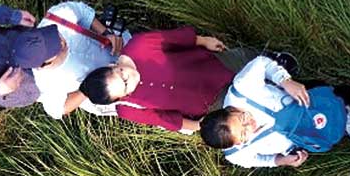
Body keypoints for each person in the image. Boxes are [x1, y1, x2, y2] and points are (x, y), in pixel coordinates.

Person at [201, 54, 350, 167]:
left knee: (331, 95)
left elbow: (262, 63)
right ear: (238, 143)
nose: (249, 124)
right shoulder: (236, 155)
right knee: (327, 130)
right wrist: (283, 160)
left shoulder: (242, 88)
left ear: (229, 109)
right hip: (301, 134)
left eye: (242, 118)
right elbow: (260, 161)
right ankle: (344, 117)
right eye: (244, 134)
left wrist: (286, 81)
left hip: (302, 100)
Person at [79, 25, 247, 134]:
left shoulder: (138, 46)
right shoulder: (127, 109)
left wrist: (204, 41)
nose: (130, 79)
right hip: (213, 104)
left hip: (214, 65)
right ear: (117, 98)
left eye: (121, 74)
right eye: (125, 87)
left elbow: (176, 39)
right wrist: (199, 126)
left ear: (111, 66)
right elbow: (166, 120)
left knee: (263, 63)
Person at [30, 0, 129, 119]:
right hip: (117, 92)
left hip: (123, 48)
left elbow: (80, 10)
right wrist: (86, 91)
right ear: (44, 65)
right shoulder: (42, 83)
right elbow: (58, 109)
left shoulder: (56, 18)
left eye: (55, 35)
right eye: (57, 48)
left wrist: (105, 32)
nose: (62, 42)